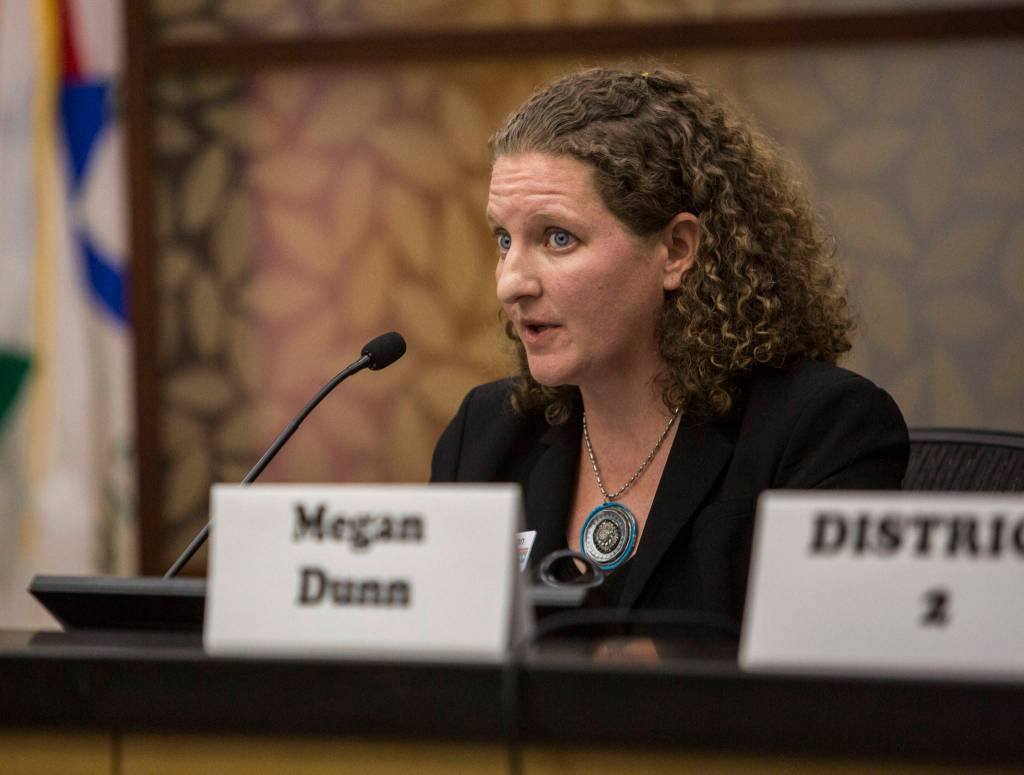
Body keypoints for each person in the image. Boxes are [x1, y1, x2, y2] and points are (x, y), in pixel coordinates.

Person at [430, 67, 908, 625]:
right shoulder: (485, 434)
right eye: (503, 240)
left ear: (677, 250)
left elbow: (821, 662)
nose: (511, 283)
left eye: (558, 238)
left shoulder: (819, 430)